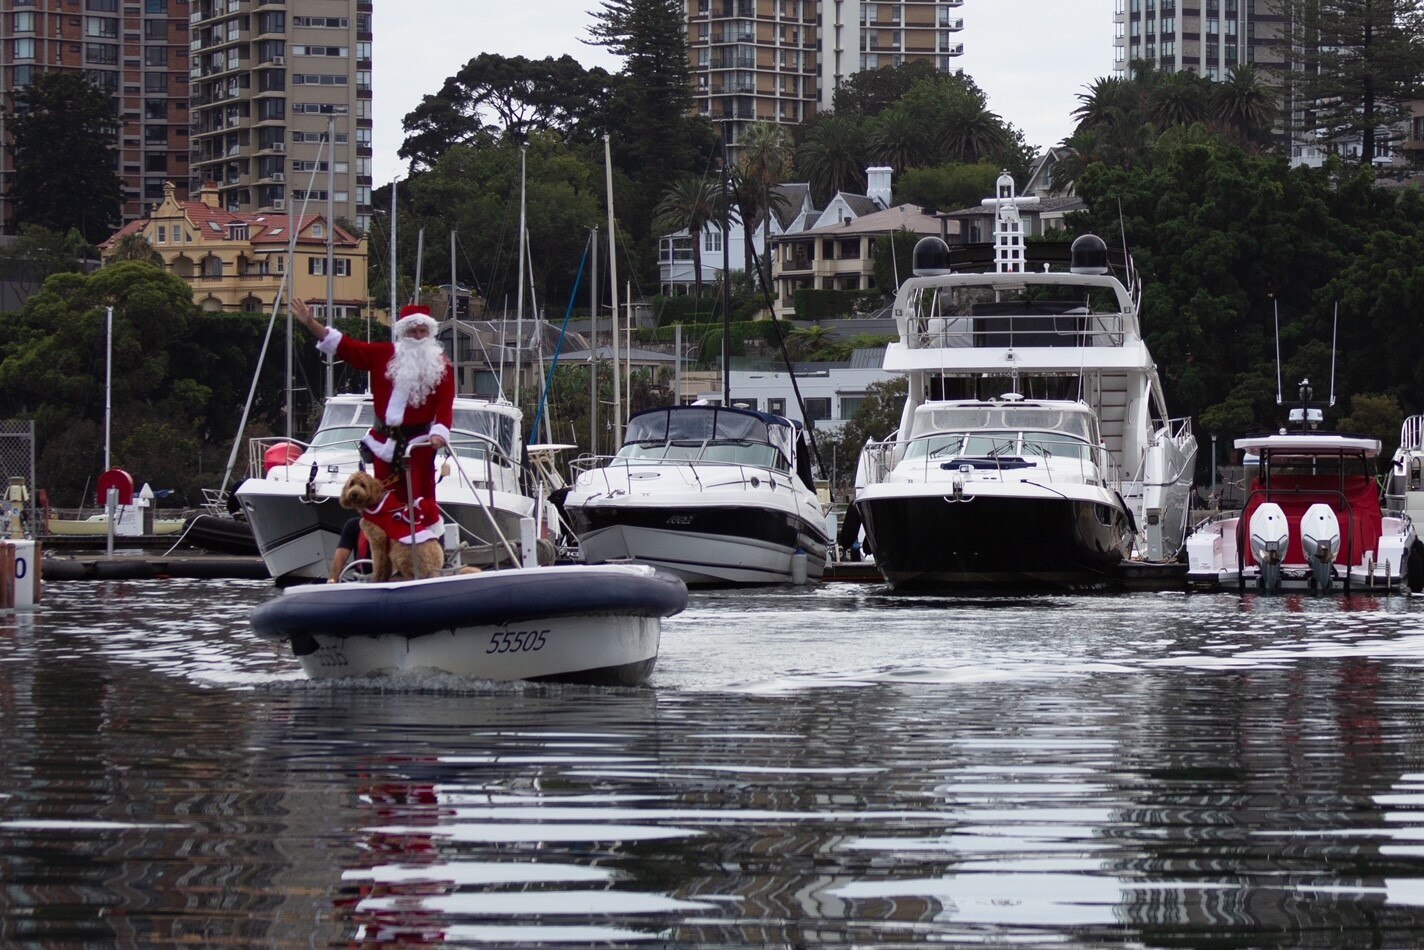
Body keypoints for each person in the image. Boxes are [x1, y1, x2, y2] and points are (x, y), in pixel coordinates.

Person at [292, 297, 455, 554]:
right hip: (383, 445)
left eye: (423, 331)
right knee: (380, 501)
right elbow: (346, 347)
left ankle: (429, 555)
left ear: (430, 334)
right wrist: (310, 322)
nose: (418, 335)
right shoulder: (383, 355)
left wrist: (439, 433)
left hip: (419, 446)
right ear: (403, 332)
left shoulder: (442, 367)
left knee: (423, 501)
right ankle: (376, 558)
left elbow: (445, 406)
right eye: (413, 331)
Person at [328, 516, 368, 582]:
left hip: (388, 581)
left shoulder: (389, 524)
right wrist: (331, 583)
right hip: (361, 581)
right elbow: (339, 559)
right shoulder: (353, 525)